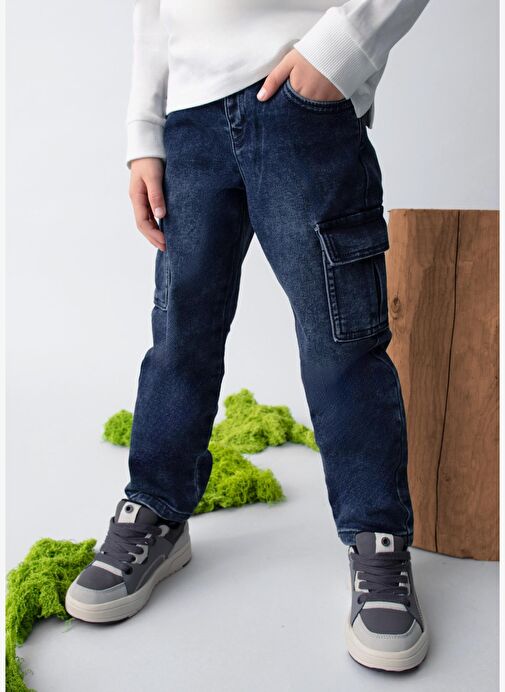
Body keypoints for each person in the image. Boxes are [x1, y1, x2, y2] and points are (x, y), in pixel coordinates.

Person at [66, 0, 431, 672]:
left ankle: (377, 539)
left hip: (300, 100)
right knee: (180, 336)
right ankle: (156, 508)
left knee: (341, 343)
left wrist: (338, 50)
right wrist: (144, 132)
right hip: (188, 123)